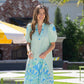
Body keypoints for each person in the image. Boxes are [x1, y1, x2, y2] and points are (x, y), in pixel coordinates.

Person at [24, 5, 57, 84]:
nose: (41, 15)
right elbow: (28, 43)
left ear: (45, 15)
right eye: (39, 13)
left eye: (43, 13)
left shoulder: (50, 27)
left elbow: (53, 44)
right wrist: (29, 52)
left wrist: (45, 53)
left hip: (45, 61)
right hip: (33, 61)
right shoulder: (30, 27)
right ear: (36, 14)